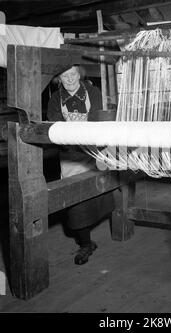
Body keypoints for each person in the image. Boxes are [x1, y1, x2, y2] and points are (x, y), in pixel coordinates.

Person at [47, 65, 114, 265]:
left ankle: (104, 220)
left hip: (94, 150)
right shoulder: (54, 99)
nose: (69, 79)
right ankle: (85, 244)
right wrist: (71, 139)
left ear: (79, 74)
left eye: (73, 74)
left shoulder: (92, 92)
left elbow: (96, 119)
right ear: (58, 78)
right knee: (75, 199)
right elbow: (55, 125)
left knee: (102, 189)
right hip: (70, 154)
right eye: (64, 76)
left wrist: (82, 138)